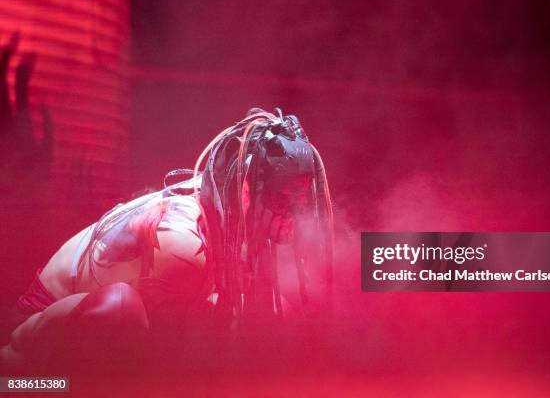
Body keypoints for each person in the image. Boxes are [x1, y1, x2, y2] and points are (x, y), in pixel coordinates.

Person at [1, 108, 333, 369]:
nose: (295, 210)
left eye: (301, 196)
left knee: (270, 314)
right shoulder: (183, 242)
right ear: (245, 189)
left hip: (80, 347)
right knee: (122, 309)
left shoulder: (226, 220)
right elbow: (168, 356)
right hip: (29, 349)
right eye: (282, 196)